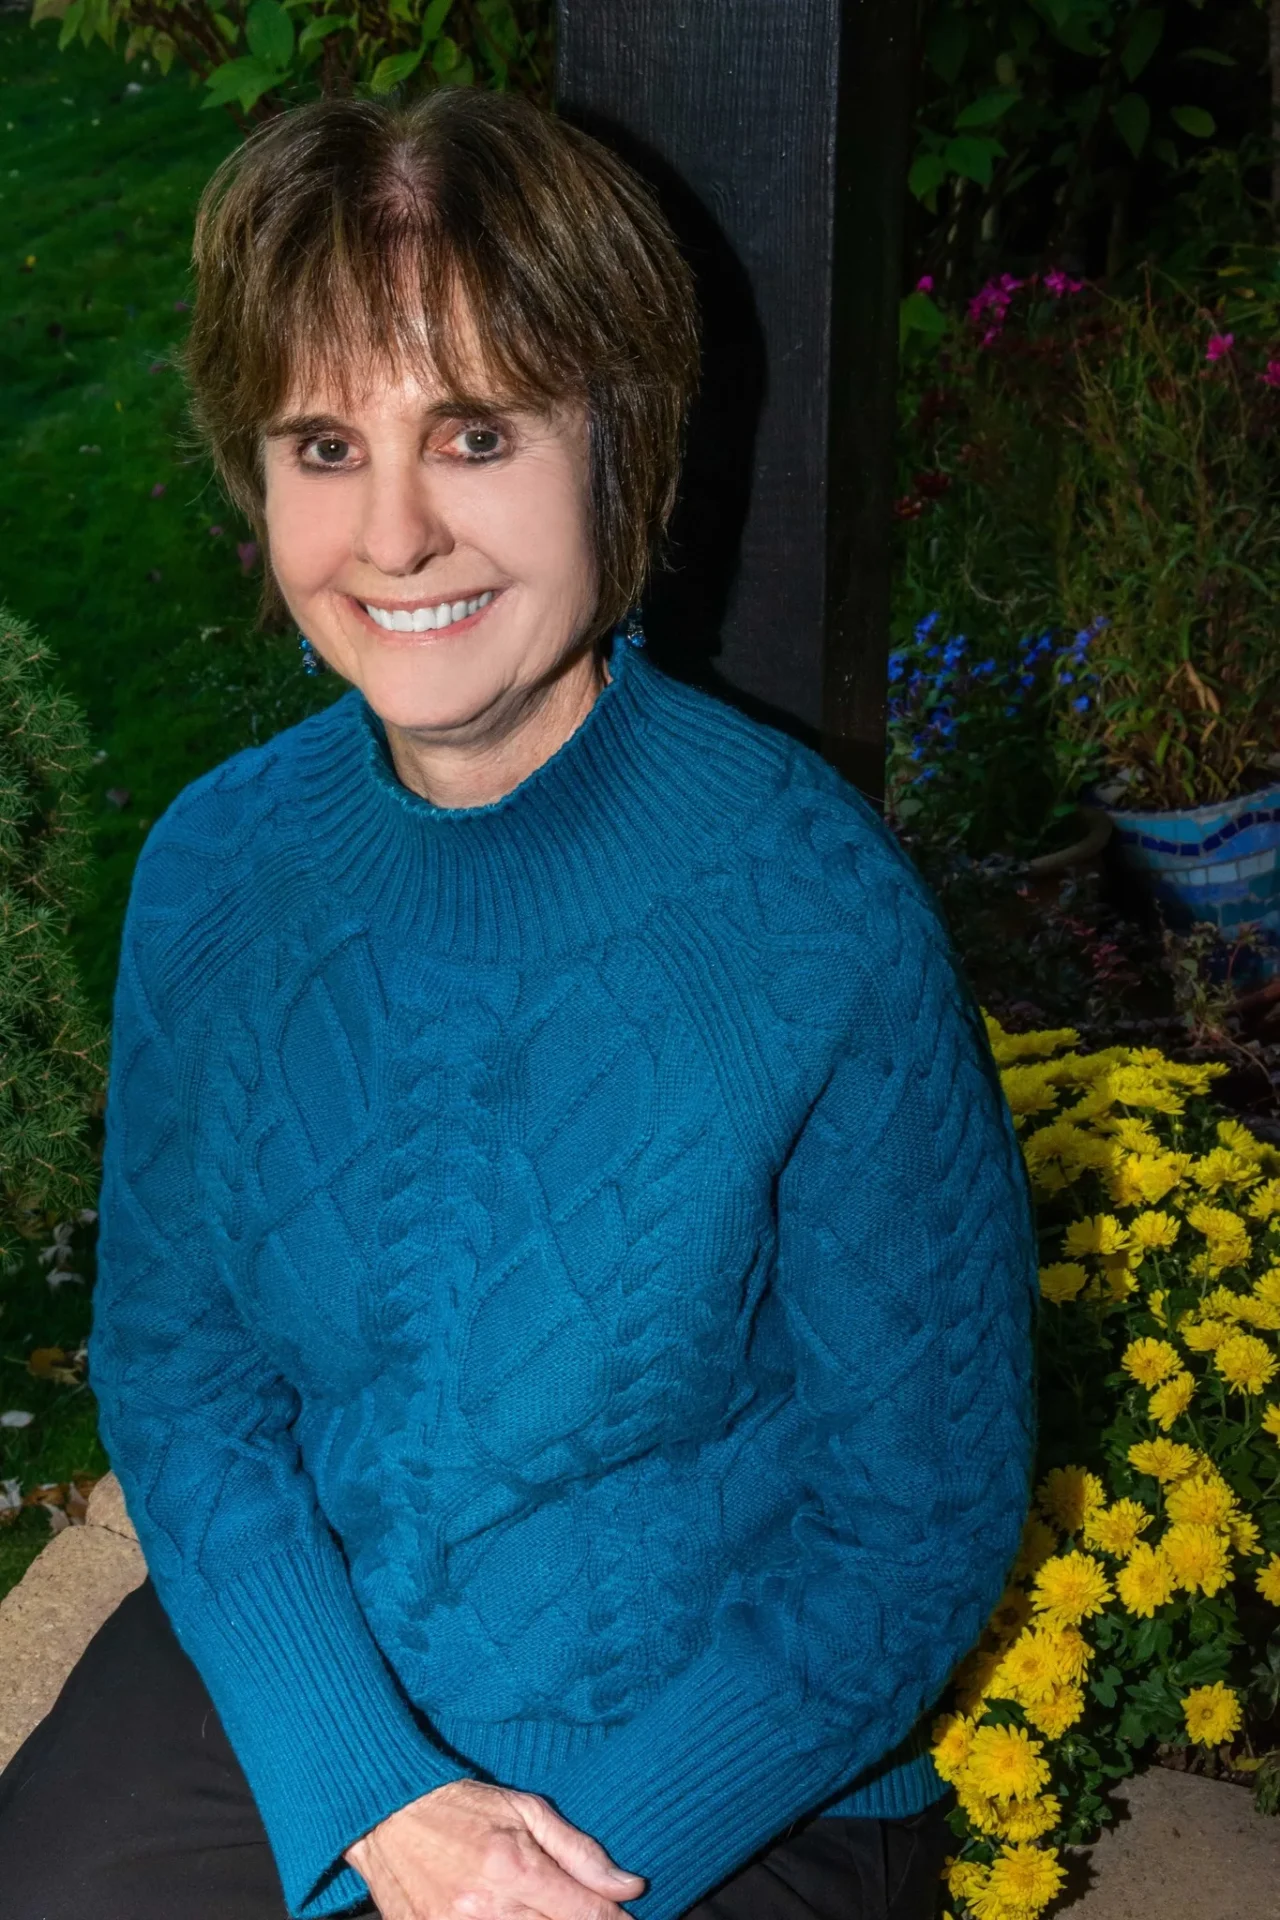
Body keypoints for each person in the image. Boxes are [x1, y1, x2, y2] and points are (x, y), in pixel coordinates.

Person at [0, 88, 1038, 1920]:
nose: (394, 536)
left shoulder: (813, 912)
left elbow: (913, 1528)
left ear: (614, 447)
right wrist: (372, 1783)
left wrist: (558, 1869)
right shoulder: (217, 869)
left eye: (472, 433)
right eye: (324, 444)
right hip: (339, 1659)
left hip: (731, 1754)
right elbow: (180, 1372)